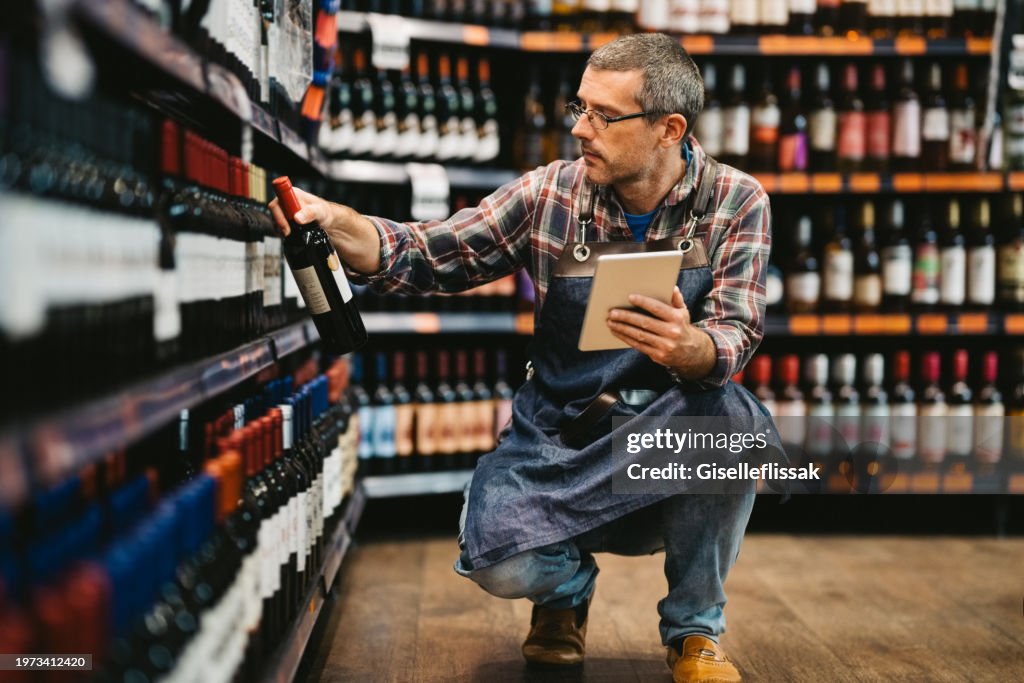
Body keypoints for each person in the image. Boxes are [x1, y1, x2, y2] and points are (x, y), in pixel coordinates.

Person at [270, 33, 771, 683]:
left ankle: (694, 629)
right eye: (578, 106)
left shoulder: (735, 201)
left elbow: (737, 328)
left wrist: (693, 347)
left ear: (667, 128)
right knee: (493, 558)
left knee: (731, 424)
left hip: (662, 428)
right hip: (561, 433)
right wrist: (339, 221)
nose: (578, 127)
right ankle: (563, 593)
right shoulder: (549, 195)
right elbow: (428, 253)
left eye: (601, 114)